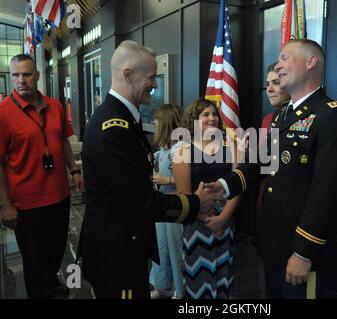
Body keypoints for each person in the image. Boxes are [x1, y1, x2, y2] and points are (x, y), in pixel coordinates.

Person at [206, 39, 337, 299]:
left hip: (302, 249)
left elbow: (327, 193)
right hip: (273, 242)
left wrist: (303, 251)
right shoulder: (282, 114)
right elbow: (262, 164)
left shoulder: (333, 116)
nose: (278, 64)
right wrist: (225, 185)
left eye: (286, 58)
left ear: (311, 62)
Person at [78, 40, 215, 299]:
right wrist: (196, 203)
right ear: (127, 74)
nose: (155, 84)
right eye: (151, 77)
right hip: (117, 255)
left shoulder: (121, 118)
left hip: (122, 244)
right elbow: (141, 201)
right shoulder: (114, 129)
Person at [0, 54, 83, 299]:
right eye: (15, 75)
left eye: (26, 74)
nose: (21, 80)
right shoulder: (3, 113)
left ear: (36, 75)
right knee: (34, 262)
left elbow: (63, 141)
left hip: (59, 195)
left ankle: (52, 284)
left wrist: (74, 170)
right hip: (26, 202)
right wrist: (5, 205)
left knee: (56, 251)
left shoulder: (54, 106)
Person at [173, 98, 241, 299]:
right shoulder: (183, 150)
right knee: (199, 282)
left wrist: (222, 219)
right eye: (205, 114)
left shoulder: (231, 147)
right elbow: (184, 195)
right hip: (196, 223)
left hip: (226, 219)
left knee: (224, 278)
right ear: (194, 119)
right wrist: (207, 219)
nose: (211, 118)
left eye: (214, 114)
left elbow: (238, 187)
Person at [149, 104, 185, 299]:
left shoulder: (180, 148)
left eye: (157, 119)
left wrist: (166, 180)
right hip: (162, 204)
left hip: (175, 205)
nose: (154, 122)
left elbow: (187, 179)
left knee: (175, 250)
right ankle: (163, 286)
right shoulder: (165, 148)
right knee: (160, 247)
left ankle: (180, 290)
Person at [256, 62, 291, 211]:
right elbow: (263, 163)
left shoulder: (305, 118)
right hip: (267, 197)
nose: (269, 89)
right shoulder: (267, 119)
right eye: (267, 84)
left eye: (276, 83)